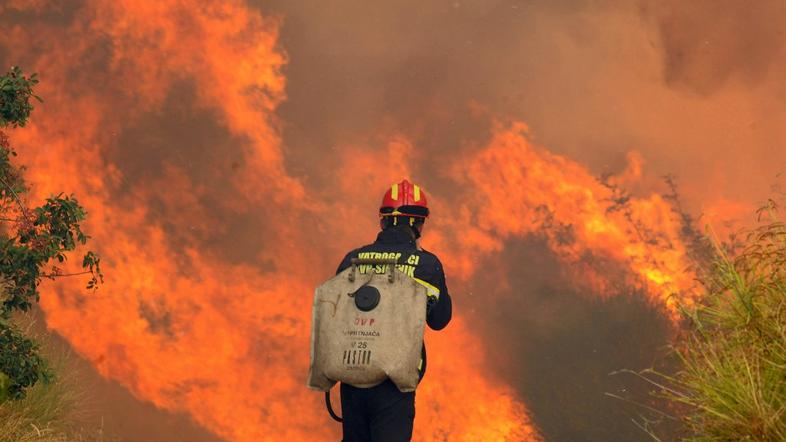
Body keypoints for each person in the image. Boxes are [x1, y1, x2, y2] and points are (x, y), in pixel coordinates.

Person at [334, 179, 452, 442]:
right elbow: (440, 320)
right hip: (393, 384)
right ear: (417, 225)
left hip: (352, 379)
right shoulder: (426, 265)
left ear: (383, 222)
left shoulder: (352, 260)